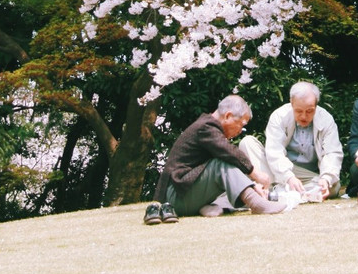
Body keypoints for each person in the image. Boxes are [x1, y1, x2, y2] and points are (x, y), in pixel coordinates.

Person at [144, 94, 287, 222]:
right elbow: (228, 151)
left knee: (234, 179)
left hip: (186, 192)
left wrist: (253, 185)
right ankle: (257, 204)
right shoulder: (205, 127)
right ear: (228, 116)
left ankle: (216, 206)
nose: (239, 131)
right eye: (241, 125)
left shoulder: (208, 127)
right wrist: (256, 174)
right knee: (221, 164)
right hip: (175, 197)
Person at [241, 81, 344, 199]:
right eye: (299, 111)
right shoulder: (279, 116)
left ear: (316, 105)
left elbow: (332, 153)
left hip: (308, 176)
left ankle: (277, 192)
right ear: (291, 103)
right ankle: (282, 190)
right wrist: (289, 177)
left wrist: (326, 179)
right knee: (247, 143)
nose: (304, 116)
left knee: (333, 186)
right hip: (279, 169)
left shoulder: (326, 119)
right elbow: (274, 152)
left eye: (309, 111)